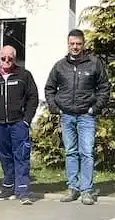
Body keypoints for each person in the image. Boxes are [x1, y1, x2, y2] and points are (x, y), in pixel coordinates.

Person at [44, 29, 111, 205]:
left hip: (86, 116)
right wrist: (55, 108)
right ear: (68, 44)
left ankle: (86, 191)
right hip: (66, 115)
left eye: (78, 44)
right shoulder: (60, 66)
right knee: (71, 152)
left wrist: (94, 109)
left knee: (87, 152)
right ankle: (73, 188)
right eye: (72, 44)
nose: (75, 47)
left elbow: (104, 88)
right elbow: (49, 88)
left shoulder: (94, 64)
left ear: (83, 44)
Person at [0, 45, 39, 205]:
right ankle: (8, 188)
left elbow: (33, 98)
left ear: (15, 58)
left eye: (10, 58)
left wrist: (26, 120)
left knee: (21, 156)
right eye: (3, 58)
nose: (6, 61)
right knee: (5, 157)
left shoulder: (24, 75)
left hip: (18, 124)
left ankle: (23, 191)